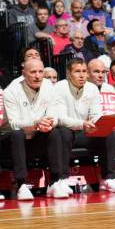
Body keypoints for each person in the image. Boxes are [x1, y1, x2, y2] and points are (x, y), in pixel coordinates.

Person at [52, 59, 115, 192]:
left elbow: (95, 114)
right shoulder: (59, 87)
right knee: (63, 131)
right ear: (68, 73)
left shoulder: (92, 88)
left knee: (107, 131)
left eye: (84, 71)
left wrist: (104, 123)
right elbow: (60, 118)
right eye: (77, 71)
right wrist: (82, 124)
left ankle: (107, 179)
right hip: (66, 133)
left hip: (85, 131)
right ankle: (62, 180)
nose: (82, 75)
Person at [3, 59, 68, 200]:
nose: (37, 76)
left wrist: (49, 123)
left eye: (40, 72)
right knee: (17, 134)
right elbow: (14, 123)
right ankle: (21, 185)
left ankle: (55, 182)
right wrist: (35, 123)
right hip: (13, 142)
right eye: (33, 72)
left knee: (55, 132)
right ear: (23, 74)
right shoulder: (11, 91)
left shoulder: (49, 87)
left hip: (36, 138)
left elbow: (54, 114)